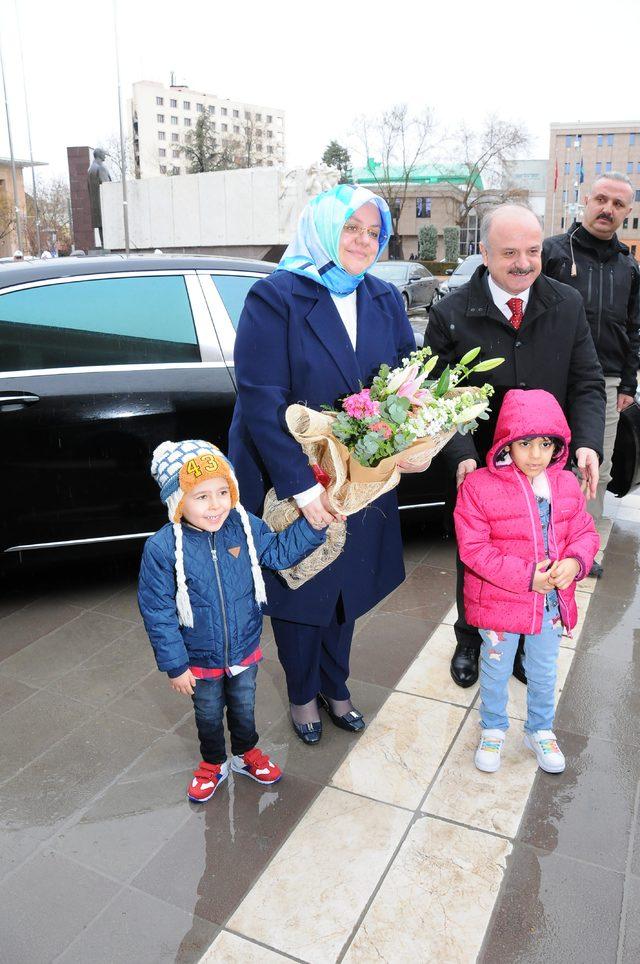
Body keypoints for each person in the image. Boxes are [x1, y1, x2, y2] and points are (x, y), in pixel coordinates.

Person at [229, 184, 422, 745]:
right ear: (322, 228)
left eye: (373, 231)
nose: (364, 240)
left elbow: (404, 387)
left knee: (347, 589)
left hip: (361, 480)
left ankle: (336, 686)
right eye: (351, 228)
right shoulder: (277, 297)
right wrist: (303, 490)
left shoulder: (383, 297)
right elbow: (261, 403)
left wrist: (411, 441)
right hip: (294, 480)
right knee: (302, 590)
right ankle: (300, 695)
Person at [426, 202, 606, 689]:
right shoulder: (450, 314)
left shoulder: (565, 303)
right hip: (482, 472)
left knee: (542, 552)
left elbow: (587, 381)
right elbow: (436, 399)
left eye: (532, 250)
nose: (524, 263)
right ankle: (471, 637)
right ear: (484, 252)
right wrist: (461, 454)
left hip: (546, 464)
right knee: (479, 558)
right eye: (509, 253)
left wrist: (588, 441)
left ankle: (528, 638)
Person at [138, 439, 327, 802]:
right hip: (198, 658)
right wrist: (175, 665)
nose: (215, 505)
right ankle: (212, 762)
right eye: (201, 496)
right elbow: (157, 610)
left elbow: (277, 551)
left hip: (244, 647)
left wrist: (314, 526)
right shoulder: (162, 548)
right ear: (177, 500)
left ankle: (245, 753)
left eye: (223, 492)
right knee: (208, 714)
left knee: (243, 706)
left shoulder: (244, 525)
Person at [454, 389, 599, 774]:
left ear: (557, 445)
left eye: (545, 443)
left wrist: (575, 561)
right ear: (506, 443)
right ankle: (494, 728)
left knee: (544, 668)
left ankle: (540, 729)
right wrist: (525, 577)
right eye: (524, 443)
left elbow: (585, 532)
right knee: (497, 668)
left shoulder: (566, 485)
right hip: (501, 604)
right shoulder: (479, 487)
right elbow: (473, 549)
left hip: (550, 604)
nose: (536, 454)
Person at [543, 172, 640, 573]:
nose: (607, 209)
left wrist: (629, 384)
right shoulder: (552, 252)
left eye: (618, 204)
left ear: (627, 213)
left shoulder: (629, 267)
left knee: (593, 467)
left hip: (606, 383)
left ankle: (581, 549)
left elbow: (634, 329)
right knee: (541, 462)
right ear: (585, 201)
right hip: (550, 377)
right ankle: (539, 542)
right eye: (601, 199)